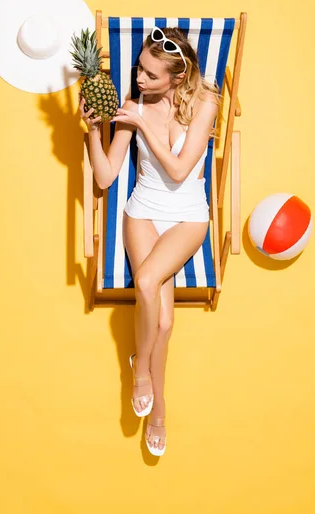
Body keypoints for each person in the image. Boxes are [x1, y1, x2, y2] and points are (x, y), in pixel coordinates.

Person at [79, 26, 220, 456]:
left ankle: (140, 370)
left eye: (151, 76)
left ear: (178, 78)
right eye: (139, 68)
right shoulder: (132, 105)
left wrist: (143, 123)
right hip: (142, 213)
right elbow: (105, 177)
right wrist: (91, 130)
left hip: (187, 219)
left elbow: (179, 171)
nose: (140, 80)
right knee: (162, 321)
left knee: (155, 302)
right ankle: (158, 411)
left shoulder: (205, 103)